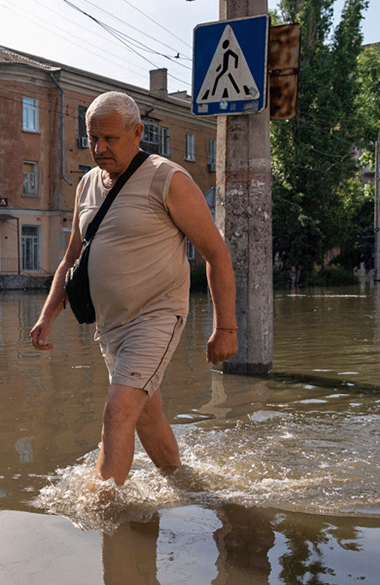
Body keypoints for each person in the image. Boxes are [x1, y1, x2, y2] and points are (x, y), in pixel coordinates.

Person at [30, 91, 239, 486]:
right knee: (145, 413)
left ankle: (104, 509)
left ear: (138, 132)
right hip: (110, 325)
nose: (99, 148)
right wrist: (47, 315)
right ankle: (184, 482)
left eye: (109, 138)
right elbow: (71, 257)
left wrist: (225, 326)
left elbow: (216, 254)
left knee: (118, 411)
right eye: (93, 138)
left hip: (156, 317)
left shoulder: (168, 178)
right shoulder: (88, 184)